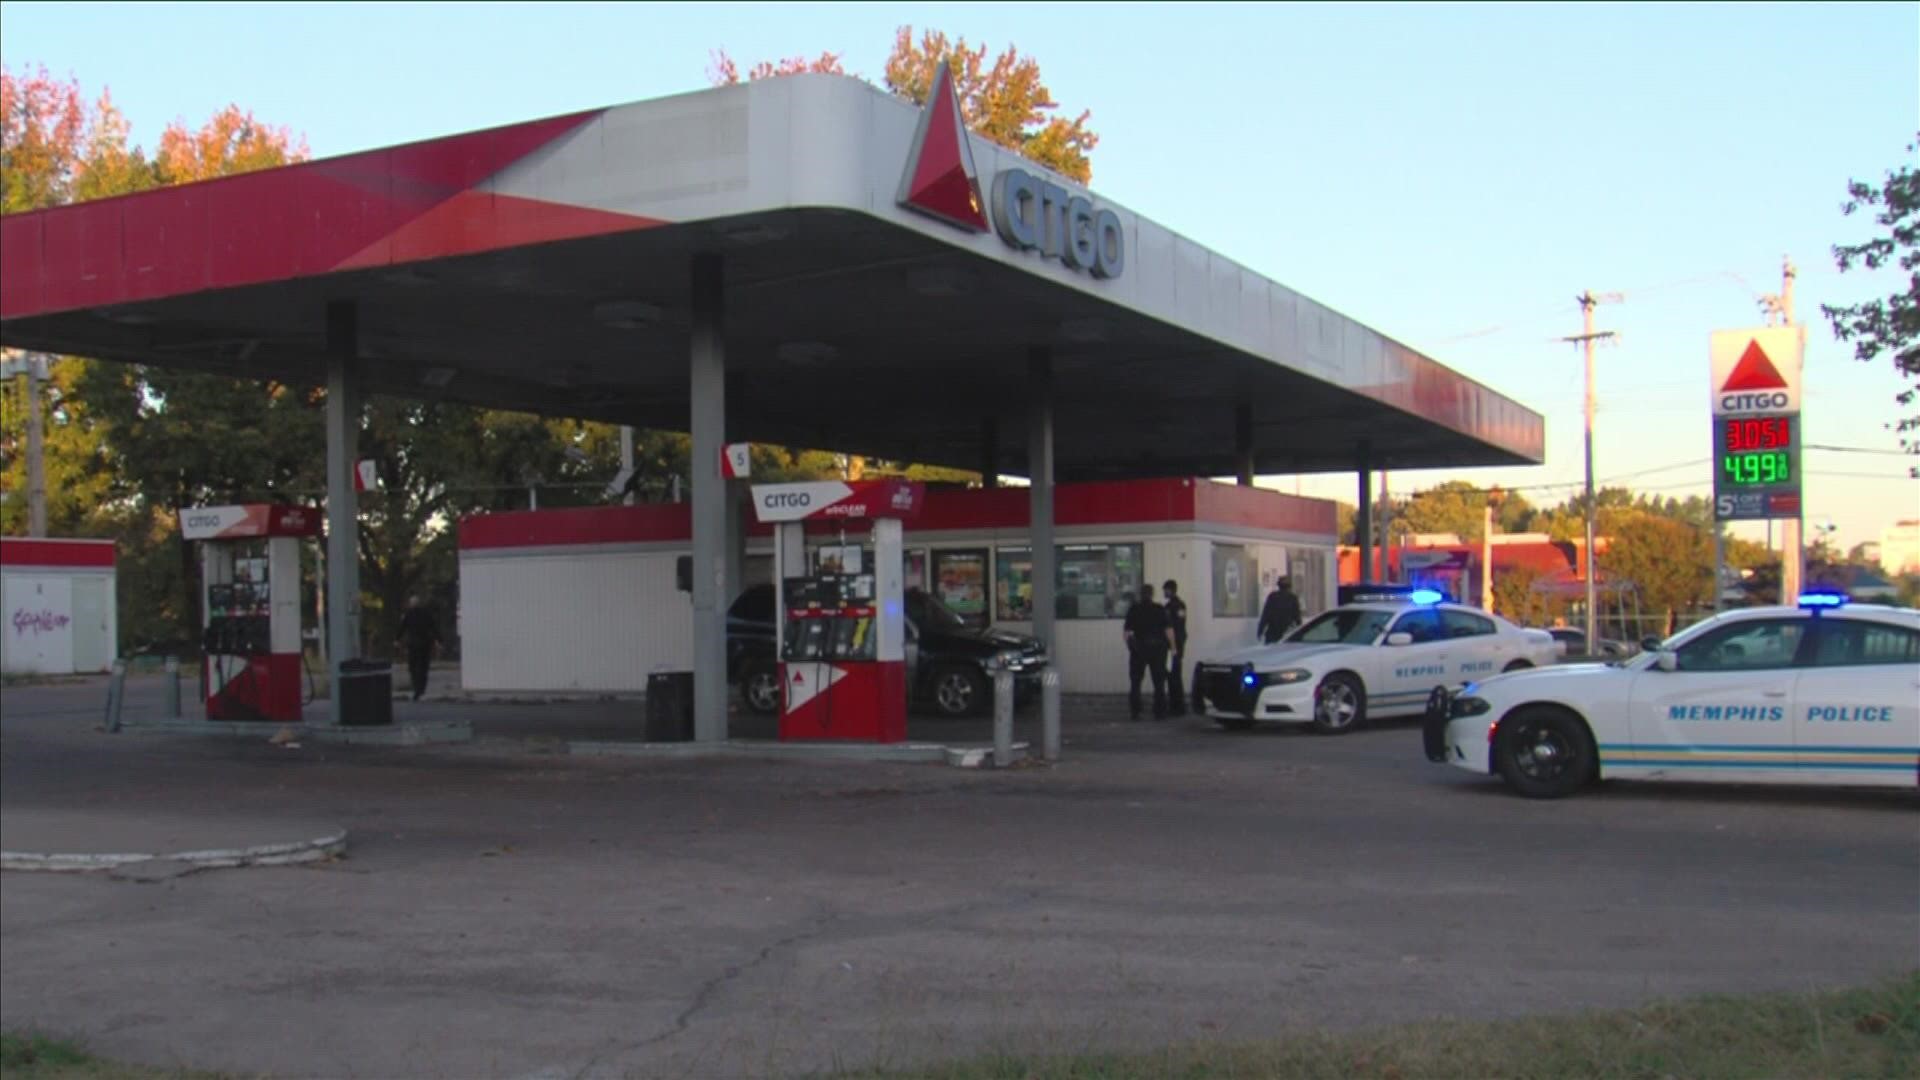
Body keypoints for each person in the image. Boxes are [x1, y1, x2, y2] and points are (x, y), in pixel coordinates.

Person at [1122, 582, 1174, 720]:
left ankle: (1135, 712)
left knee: (1135, 682)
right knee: (1159, 682)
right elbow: (1168, 630)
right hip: (1158, 649)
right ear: (1152, 594)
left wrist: (1131, 647)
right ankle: (1159, 712)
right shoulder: (1159, 609)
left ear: (1141, 594)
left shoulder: (1134, 609)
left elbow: (1127, 633)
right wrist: (1173, 647)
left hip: (1139, 648)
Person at [396, 595, 442, 701]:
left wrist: (397, 640)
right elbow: (434, 627)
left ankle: (417, 688)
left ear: (411, 604)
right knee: (423, 667)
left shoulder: (408, 614)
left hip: (413, 644)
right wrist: (439, 640)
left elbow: (402, 628)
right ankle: (421, 687)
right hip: (425, 644)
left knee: (413, 667)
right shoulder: (426, 614)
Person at [1161, 578, 1189, 716]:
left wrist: (1172, 646)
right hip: (1179, 645)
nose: (1164, 592)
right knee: (1176, 675)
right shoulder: (1181, 605)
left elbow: (1170, 628)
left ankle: (1175, 706)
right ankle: (1179, 706)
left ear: (1169, 590)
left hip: (1171, 647)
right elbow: (1182, 626)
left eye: (1165, 590)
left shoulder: (1169, 608)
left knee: (1172, 676)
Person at [1256, 577, 1302, 645]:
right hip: (1287, 633)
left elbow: (1265, 615)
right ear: (1289, 586)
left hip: (1272, 632)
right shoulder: (1293, 598)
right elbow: (1297, 617)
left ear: (1279, 586)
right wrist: (1301, 632)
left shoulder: (1272, 597)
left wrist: (1260, 631)